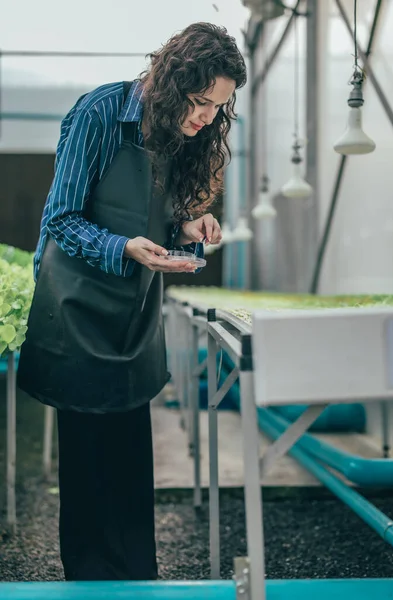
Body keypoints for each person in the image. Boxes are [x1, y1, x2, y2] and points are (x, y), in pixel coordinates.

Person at [17, 22, 247, 581]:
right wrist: (126, 247)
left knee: (129, 460)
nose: (206, 119)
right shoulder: (99, 114)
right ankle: (91, 583)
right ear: (171, 82)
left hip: (131, 311)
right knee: (87, 462)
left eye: (217, 107)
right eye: (199, 102)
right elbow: (61, 220)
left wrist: (186, 227)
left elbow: (154, 222)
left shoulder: (176, 136)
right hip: (76, 308)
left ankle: (139, 581)